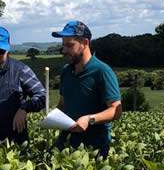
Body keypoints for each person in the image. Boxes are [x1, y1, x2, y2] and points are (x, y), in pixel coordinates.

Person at [51, 20, 121, 158]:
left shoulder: (102, 71)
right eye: (63, 45)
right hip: (66, 142)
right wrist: (52, 117)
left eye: (69, 45)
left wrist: (89, 119)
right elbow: (63, 103)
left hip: (94, 147)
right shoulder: (66, 71)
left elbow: (116, 110)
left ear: (85, 43)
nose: (64, 50)